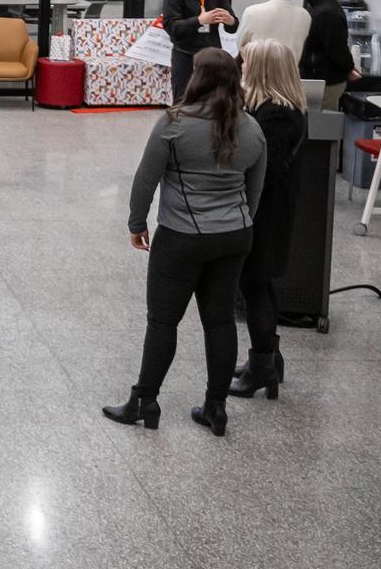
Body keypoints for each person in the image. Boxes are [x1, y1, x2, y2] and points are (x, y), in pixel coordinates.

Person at [104, 49, 268, 436]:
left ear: (197, 78)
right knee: (220, 320)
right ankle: (216, 407)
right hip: (234, 236)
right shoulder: (251, 128)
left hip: (181, 237)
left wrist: (136, 222)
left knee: (163, 321)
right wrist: (235, 224)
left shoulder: (174, 123)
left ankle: (144, 402)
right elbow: (254, 192)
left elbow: (146, 178)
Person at [231, 40, 308, 400]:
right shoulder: (280, 108)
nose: (241, 69)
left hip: (266, 212)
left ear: (262, 70)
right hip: (270, 209)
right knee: (258, 286)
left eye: (247, 65)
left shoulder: (276, 115)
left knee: (254, 285)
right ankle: (268, 358)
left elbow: (267, 169)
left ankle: (262, 365)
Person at [161, 0, 235, 102]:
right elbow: (172, 27)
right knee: (183, 101)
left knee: (214, 101)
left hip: (212, 57)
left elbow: (233, 27)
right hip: (185, 55)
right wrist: (200, 20)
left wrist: (231, 21)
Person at [298, 0, 361, 111]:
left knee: (320, 129)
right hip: (316, 79)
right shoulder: (314, 4)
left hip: (326, 83)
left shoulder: (327, 12)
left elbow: (337, 48)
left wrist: (349, 67)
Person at [235, 0, 311, 62]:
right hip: (289, 74)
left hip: (257, 74)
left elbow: (241, 45)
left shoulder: (252, 12)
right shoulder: (305, 16)